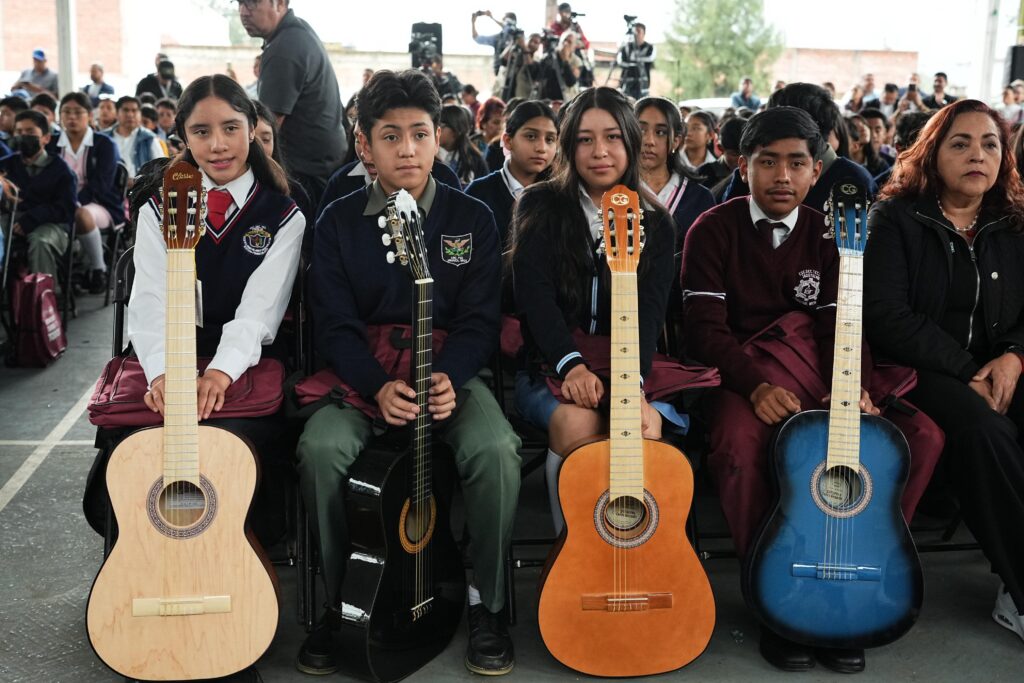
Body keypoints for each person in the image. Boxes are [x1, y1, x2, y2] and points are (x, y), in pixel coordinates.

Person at [681, 106, 943, 674]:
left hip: (822, 370)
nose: (782, 176)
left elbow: (840, 325)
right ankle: (772, 595)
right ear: (740, 164)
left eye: (797, 163)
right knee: (740, 446)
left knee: (915, 437)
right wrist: (754, 387)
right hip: (739, 375)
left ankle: (853, 566)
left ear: (817, 168)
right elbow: (705, 333)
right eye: (767, 162)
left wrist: (856, 389)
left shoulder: (832, 234)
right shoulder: (713, 229)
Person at [296, 68, 521, 676]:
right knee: (321, 450)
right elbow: (334, 323)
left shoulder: (471, 218)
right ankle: (343, 603)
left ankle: (488, 603)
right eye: (390, 136)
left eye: (420, 134)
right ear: (364, 145)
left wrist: (448, 374)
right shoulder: (338, 220)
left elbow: (480, 319)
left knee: (496, 450)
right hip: (365, 376)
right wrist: (374, 385)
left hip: (447, 373)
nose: (407, 149)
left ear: (438, 139)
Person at [864, 99, 1024, 649]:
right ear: (933, 154)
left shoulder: (1014, 222)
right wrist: (968, 369)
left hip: (1002, 365)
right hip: (923, 368)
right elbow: (885, 315)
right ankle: (1021, 590)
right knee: (984, 432)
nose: (977, 155)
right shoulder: (896, 219)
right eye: (960, 143)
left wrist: (1013, 356)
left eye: (989, 144)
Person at [510, 86, 681, 536]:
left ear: (630, 141)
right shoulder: (540, 204)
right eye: (585, 139)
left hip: (631, 362)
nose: (599, 151)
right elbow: (535, 298)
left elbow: (649, 313)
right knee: (576, 421)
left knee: (642, 428)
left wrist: (634, 387)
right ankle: (574, 551)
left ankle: (634, 552)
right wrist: (571, 366)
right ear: (569, 145)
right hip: (553, 361)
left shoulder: (656, 221)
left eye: (612, 137)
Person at [239, 0, 347, 206]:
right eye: (240, 4)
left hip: (307, 175)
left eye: (251, 3)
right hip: (324, 166)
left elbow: (266, 127)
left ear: (279, 3)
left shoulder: (284, 47)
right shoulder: (297, 32)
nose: (243, 12)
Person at [721, 83, 878, 211]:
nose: (782, 177)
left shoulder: (852, 182)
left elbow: (852, 248)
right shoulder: (752, 171)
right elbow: (728, 223)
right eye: (769, 163)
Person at [57, 92, 124, 294]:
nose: (72, 117)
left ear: (89, 115)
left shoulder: (104, 144)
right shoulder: (52, 143)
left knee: (81, 215)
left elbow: (101, 185)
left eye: (78, 112)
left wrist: (74, 202)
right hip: (59, 203)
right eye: (66, 112)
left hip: (98, 203)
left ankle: (98, 270)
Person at [466, 99, 557, 246]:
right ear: (508, 141)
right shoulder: (478, 194)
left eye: (550, 139)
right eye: (531, 136)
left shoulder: (560, 195)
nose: (542, 148)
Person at [0, 109, 76, 281]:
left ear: (46, 138)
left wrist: (32, 218)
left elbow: (66, 209)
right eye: (19, 132)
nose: (23, 136)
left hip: (53, 226)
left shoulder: (61, 170)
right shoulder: (5, 166)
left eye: (30, 132)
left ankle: (44, 299)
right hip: (12, 221)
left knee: (40, 241)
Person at [636, 97, 715, 256]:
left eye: (660, 133)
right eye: (641, 130)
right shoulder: (614, 193)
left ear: (676, 141)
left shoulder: (699, 198)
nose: (649, 141)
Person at [105, 96, 165, 178]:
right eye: (126, 110)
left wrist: (137, 182)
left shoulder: (149, 139)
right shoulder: (104, 137)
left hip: (140, 189)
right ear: (116, 113)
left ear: (140, 114)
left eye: (134, 110)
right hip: (107, 187)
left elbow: (161, 170)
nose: (130, 114)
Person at [438, 104, 488, 186]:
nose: (436, 131)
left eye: (441, 126)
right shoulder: (429, 155)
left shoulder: (475, 161)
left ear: (456, 130)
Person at [698, 116, 746, 199]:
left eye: (746, 155)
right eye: (735, 154)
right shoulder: (704, 174)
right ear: (721, 148)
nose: (741, 160)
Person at [471, 10, 518, 77]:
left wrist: (492, 17)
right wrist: (473, 23)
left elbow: (508, 28)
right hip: (500, 73)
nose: (503, 21)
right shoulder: (497, 38)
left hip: (514, 72)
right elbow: (477, 38)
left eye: (505, 19)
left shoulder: (518, 36)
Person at [617, 22, 655, 100]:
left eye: (638, 31)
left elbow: (650, 59)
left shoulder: (649, 47)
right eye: (635, 31)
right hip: (626, 83)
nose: (636, 34)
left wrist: (635, 61)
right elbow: (620, 61)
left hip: (642, 85)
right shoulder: (626, 46)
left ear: (644, 33)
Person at [474, 96, 506, 169]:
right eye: (496, 122)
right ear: (483, 123)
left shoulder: (506, 148)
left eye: (504, 123)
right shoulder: (472, 147)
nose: (501, 127)